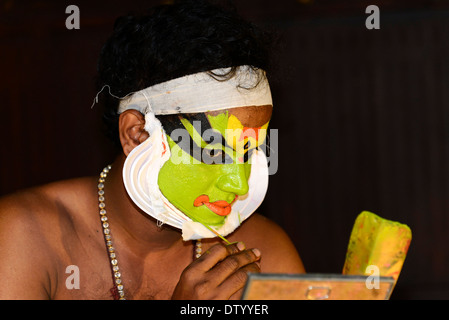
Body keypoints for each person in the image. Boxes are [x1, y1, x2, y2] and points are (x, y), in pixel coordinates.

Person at [0, 0, 304, 300]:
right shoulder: (26, 239)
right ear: (137, 133)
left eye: (249, 152)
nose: (238, 183)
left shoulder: (264, 254)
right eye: (214, 152)